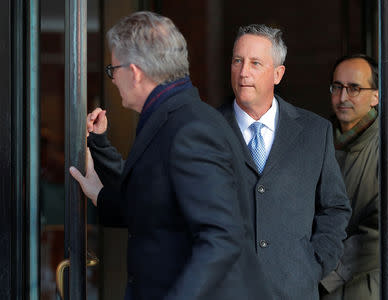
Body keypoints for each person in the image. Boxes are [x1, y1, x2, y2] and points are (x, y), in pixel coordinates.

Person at [69, 11, 271, 300]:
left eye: (113, 70)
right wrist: (99, 192)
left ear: (135, 72)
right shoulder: (172, 117)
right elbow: (158, 207)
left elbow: (221, 239)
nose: (112, 80)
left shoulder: (190, 128)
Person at [219, 24, 352, 299]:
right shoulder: (205, 130)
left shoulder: (315, 132)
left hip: (294, 291)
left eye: (256, 63)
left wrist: (312, 265)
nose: (243, 72)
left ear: (278, 74)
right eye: (237, 61)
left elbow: (335, 208)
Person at [320, 54, 388, 299]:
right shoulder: (316, 141)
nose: (343, 97)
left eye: (354, 88)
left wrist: (323, 274)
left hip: (364, 291)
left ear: (376, 96)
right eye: (337, 87)